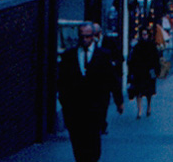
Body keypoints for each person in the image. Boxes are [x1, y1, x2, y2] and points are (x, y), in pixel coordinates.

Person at [58, 22, 124, 162]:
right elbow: (62, 81)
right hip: (75, 110)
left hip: (95, 109)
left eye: (88, 37)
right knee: (78, 143)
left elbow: (112, 79)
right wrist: (65, 103)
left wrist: (119, 101)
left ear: (93, 37)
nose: (85, 40)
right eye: (82, 37)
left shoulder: (103, 55)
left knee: (93, 143)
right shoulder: (69, 56)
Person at [91, 23, 123, 134]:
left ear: (100, 33)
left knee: (103, 103)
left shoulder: (109, 42)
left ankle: (102, 124)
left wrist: (113, 63)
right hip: (92, 80)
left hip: (105, 80)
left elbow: (119, 56)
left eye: (95, 34)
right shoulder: (89, 45)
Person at [129, 27, 162, 118]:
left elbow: (156, 59)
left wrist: (156, 70)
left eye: (146, 34)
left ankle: (148, 106)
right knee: (138, 92)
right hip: (139, 72)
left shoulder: (152, 46)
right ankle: (139, 110)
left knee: (148, 92)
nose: (144, 36)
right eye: (143, 34)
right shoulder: (137, 46)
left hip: (148, 72)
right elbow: (133, 60)